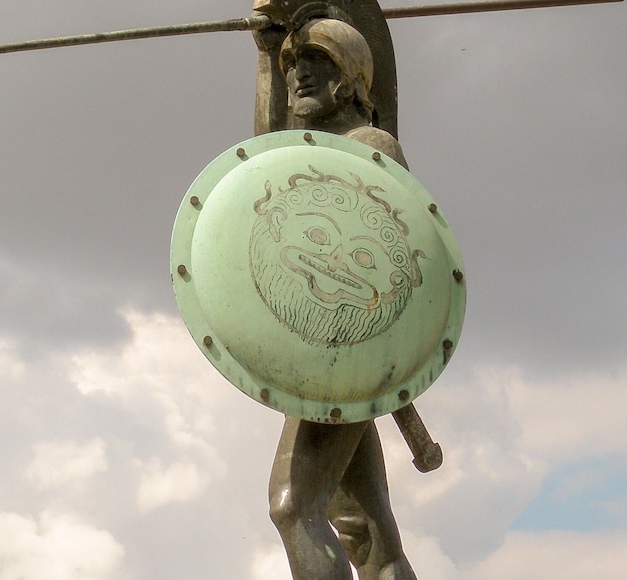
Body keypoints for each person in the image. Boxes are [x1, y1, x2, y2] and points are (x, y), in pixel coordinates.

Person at [253, 17, 417, 580]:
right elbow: (258, 166)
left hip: (349, 356)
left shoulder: (369, 147)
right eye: (294, 65)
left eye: (316, 62)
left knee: (295, 505)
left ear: (350, 78)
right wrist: (266, 54)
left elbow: (396, 258)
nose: (300, 73)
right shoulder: (303, 153)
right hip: (324, 354)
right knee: (366, 532)